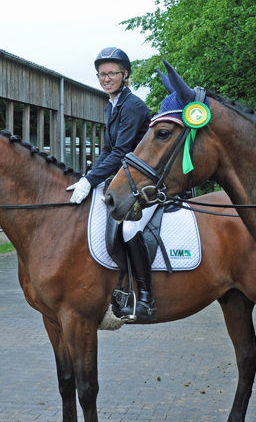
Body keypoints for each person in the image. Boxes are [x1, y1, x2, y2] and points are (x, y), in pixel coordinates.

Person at [66, 47, 155, 321]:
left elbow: (122, 151)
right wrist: (87, 177)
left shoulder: (133, 106)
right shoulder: (112, 106)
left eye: (112, 73)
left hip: (147, 180)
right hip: (128, 179)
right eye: (102, 74)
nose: (106, 79)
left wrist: (90, 180)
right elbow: (108, 149)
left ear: (125, 74)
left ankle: (146, 298)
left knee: (129, 228)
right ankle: (118, 290)